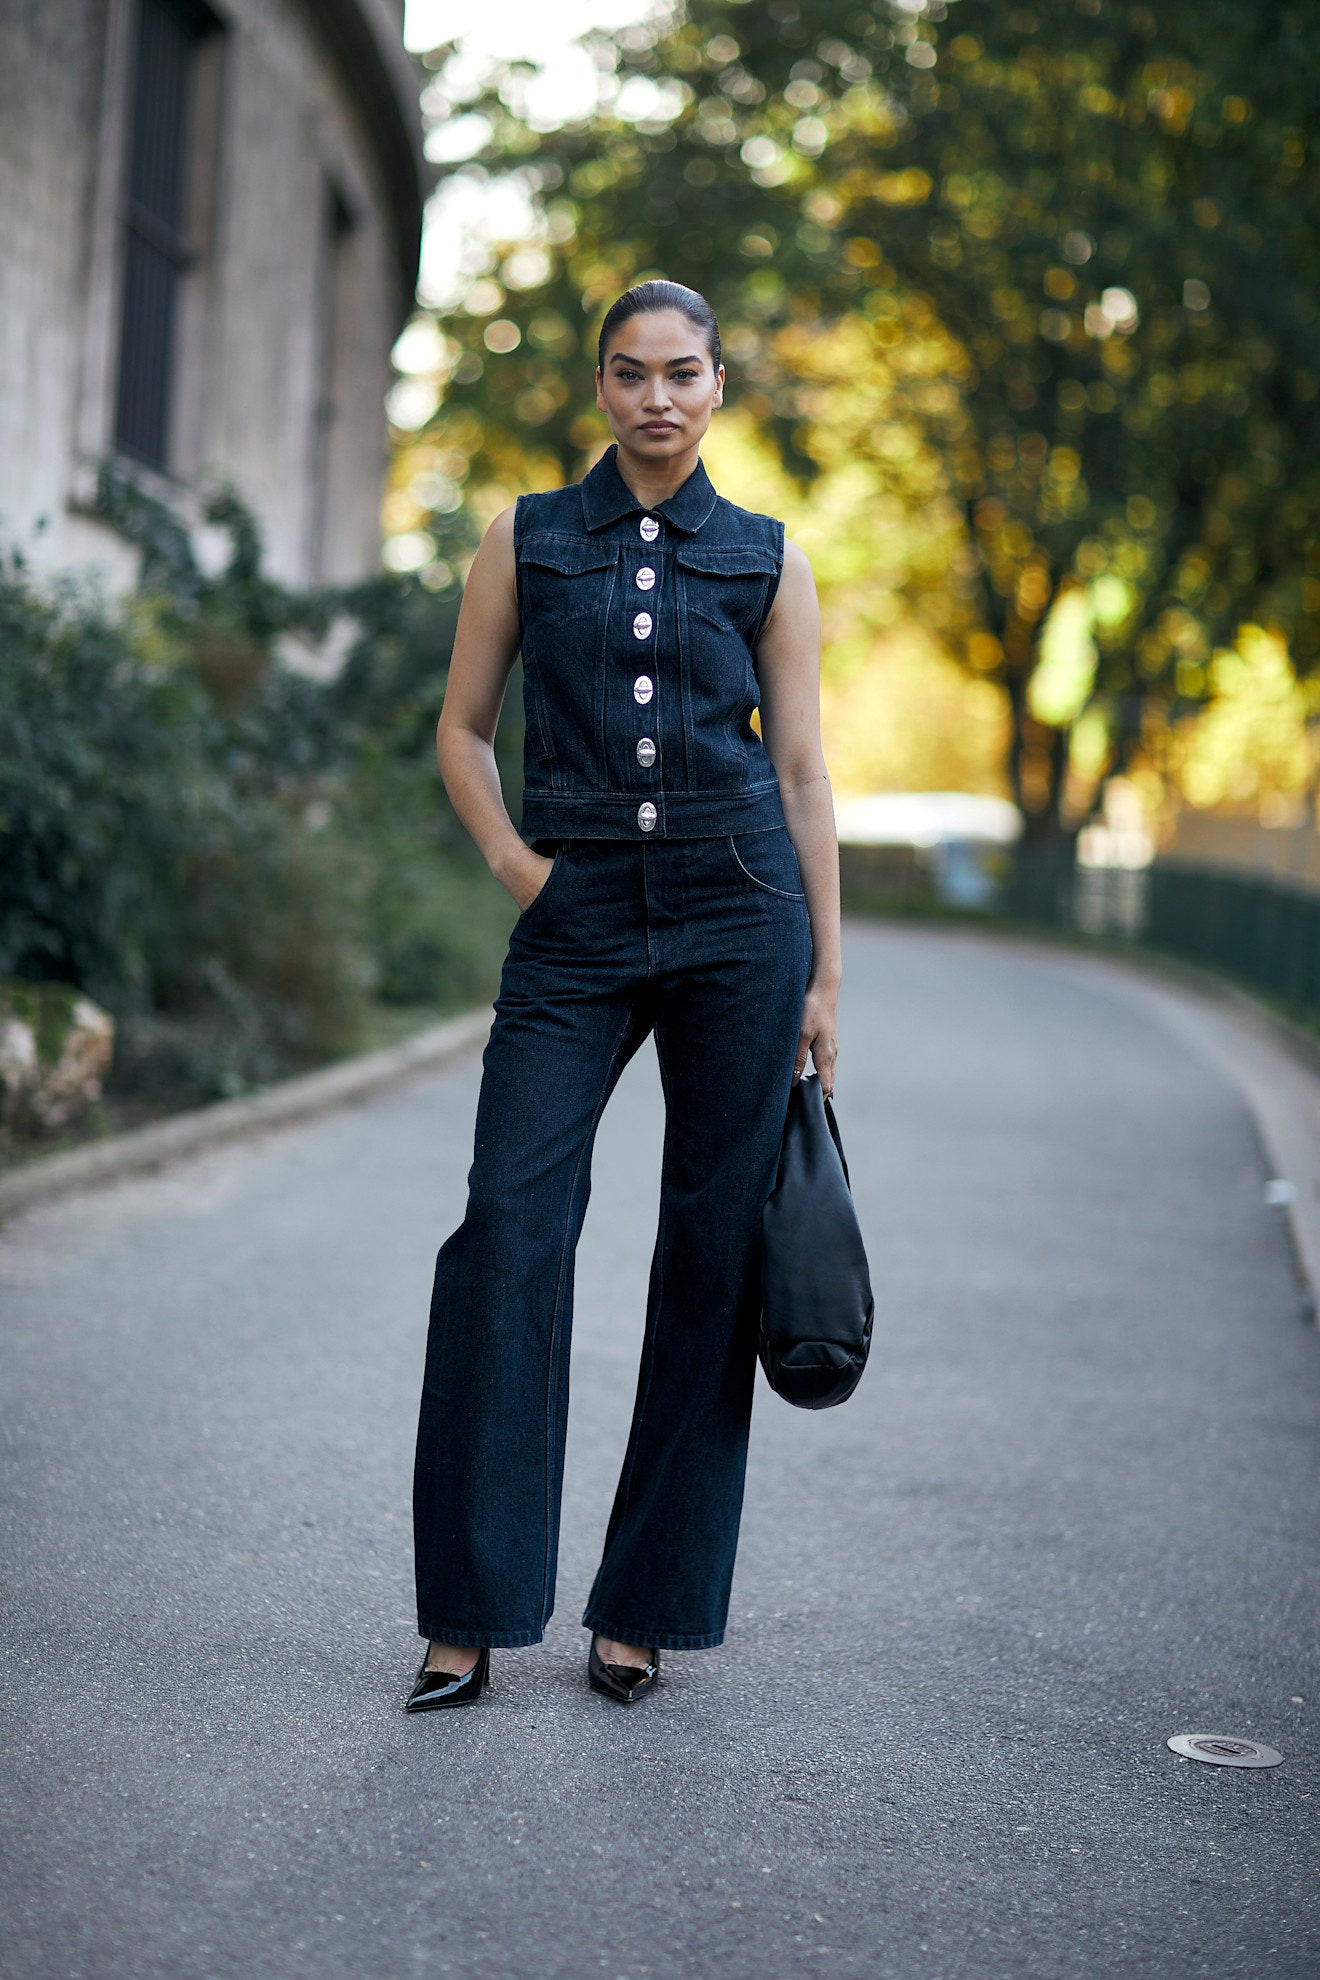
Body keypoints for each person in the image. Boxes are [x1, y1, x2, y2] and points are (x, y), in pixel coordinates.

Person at [407, 280, 840, 1711]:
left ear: (720, 389)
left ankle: (642, 1609)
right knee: (507, 1228)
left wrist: (824, 973)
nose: (658, 397)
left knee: (712, 1259)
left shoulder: (767, 560)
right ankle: (468, 1613)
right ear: (599, 387)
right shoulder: (524, 538)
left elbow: (802, 779)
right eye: (631, 373)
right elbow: (462, 733)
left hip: (741, 915)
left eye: (685, 374)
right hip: (577, 913)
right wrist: (525, 874)